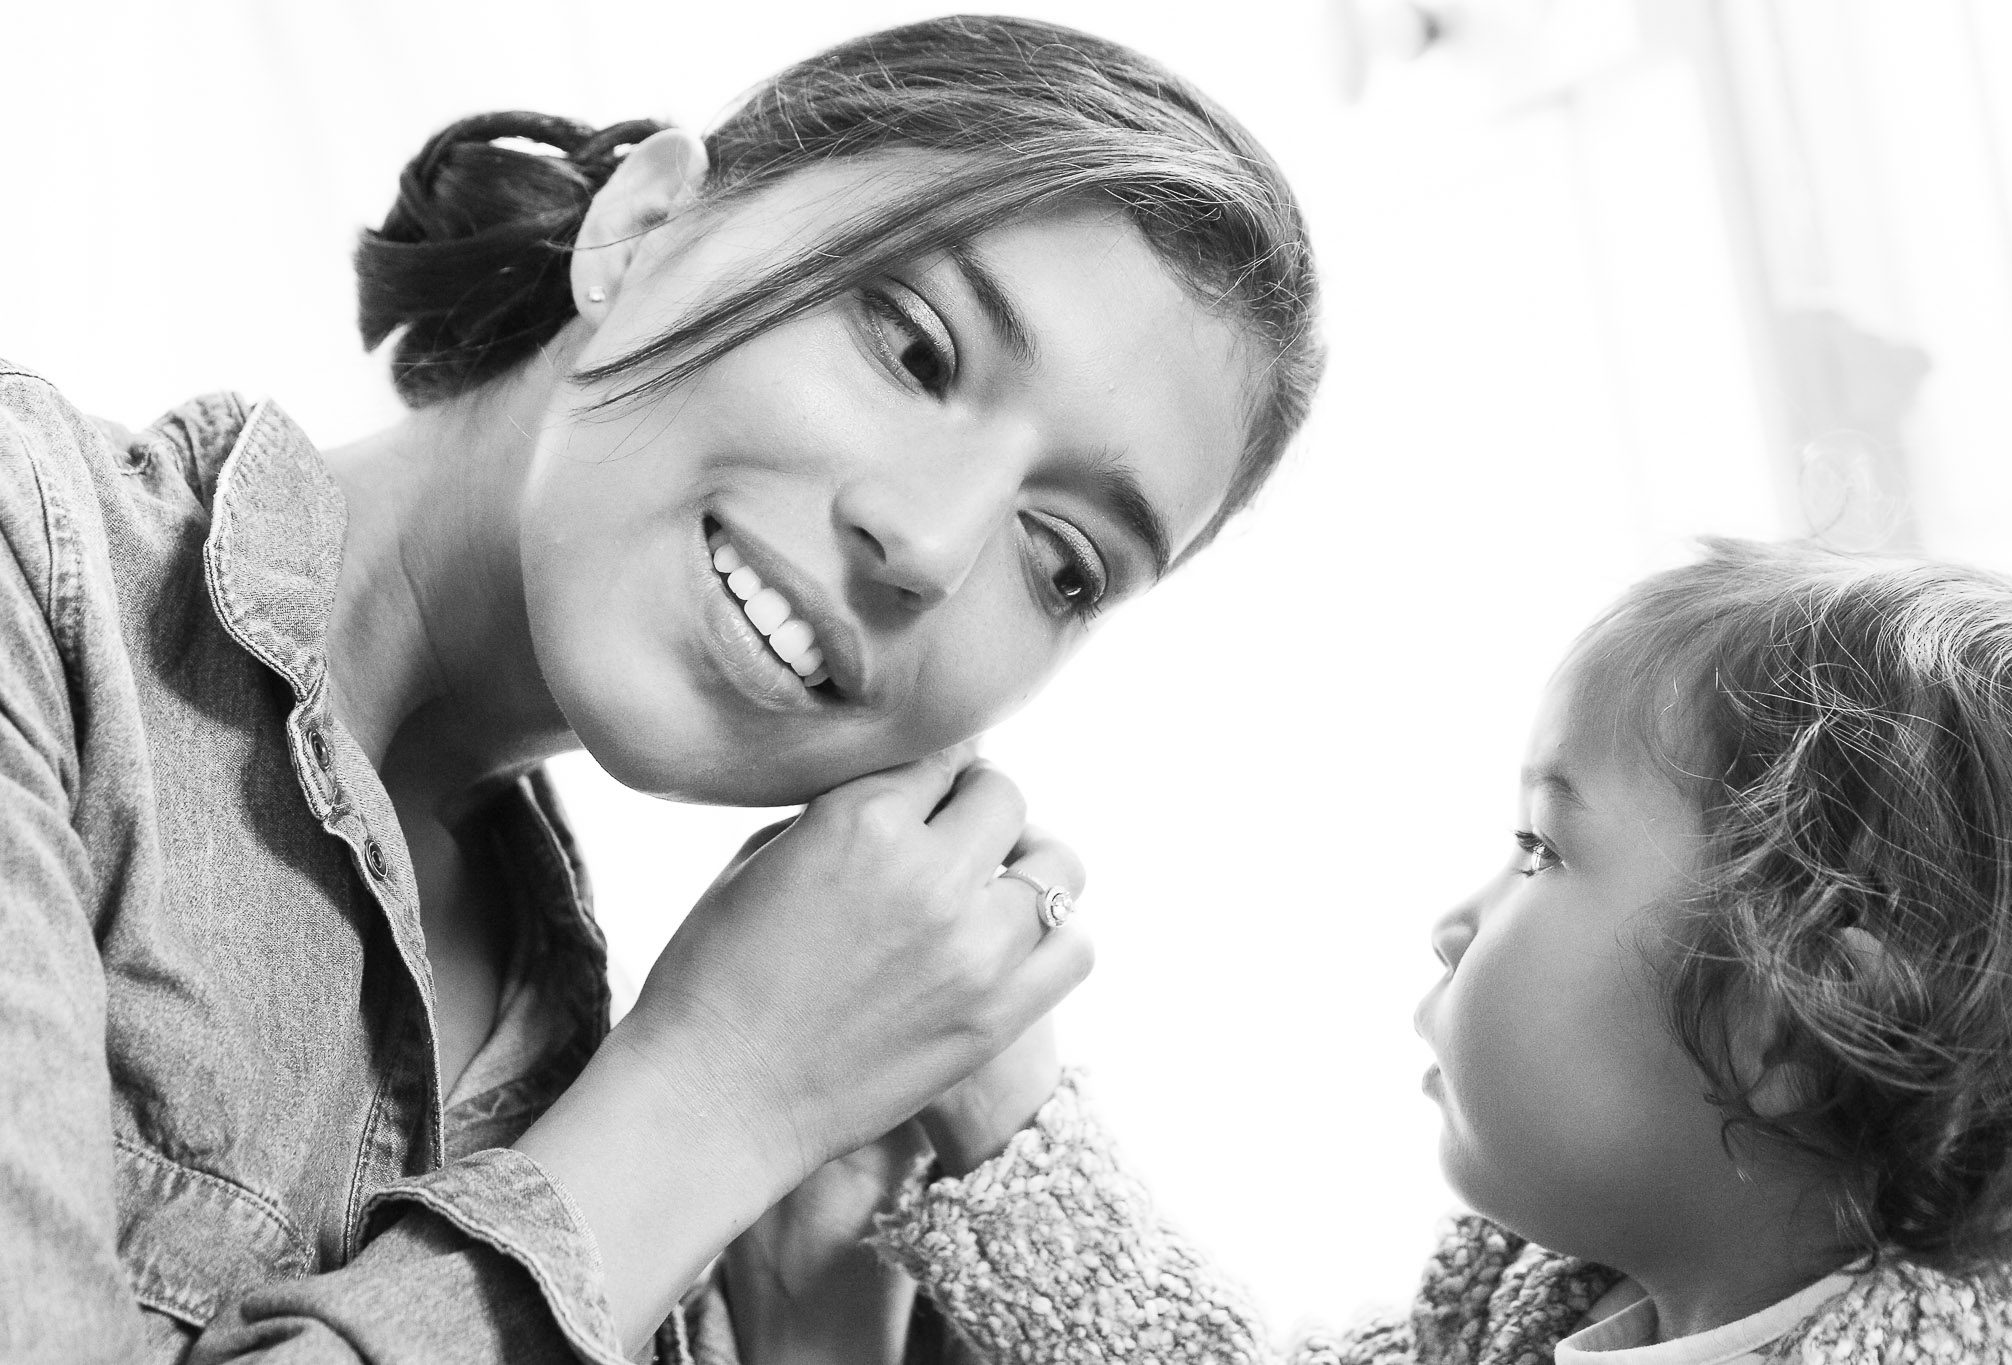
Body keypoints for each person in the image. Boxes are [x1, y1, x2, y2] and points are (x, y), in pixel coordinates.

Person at [0, 15, 1321, 1364]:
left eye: (1061, 563)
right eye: (915, 350)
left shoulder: (652, 1118)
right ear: (641, 230)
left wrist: (810, 1322)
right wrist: (717, 1096)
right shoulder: (33, 577)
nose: (928, 546)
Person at [868, 540, 2012, 1364]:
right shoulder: (1534, 1302)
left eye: (1539, 850)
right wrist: (1005, 1117)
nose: (1454, 925)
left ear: (1788, 1018)